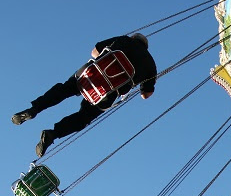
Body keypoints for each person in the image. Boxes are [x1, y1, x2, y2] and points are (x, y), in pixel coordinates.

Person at [11, 33, 157, 157]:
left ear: (134, 38)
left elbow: (94, 52)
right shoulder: (151, 65)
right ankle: (53, 134)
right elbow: (146, 94)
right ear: (146, 47)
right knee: (84, 117)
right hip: (107, 93)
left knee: (64, 90)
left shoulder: (124, 40)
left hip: (89, 75)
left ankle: (34, 109)